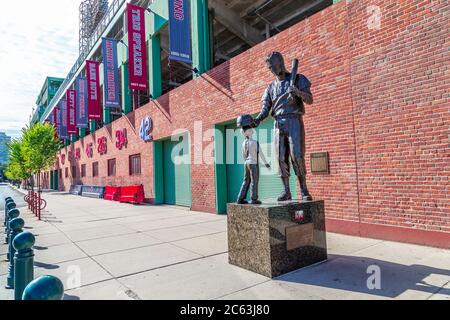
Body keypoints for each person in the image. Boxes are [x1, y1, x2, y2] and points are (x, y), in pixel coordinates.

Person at [253, 51, 313, 201]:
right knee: (280, 158)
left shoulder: (298, 79)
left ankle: (304, 189)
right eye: (269, 68)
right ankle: (286, 190)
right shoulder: (270, 87)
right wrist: (257, 120)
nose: (272, 70)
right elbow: (265, 109)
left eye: (273, 66)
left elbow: (310, 100)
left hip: (294, 120)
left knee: (297, 155)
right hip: (278, 123)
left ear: (280, 63)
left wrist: (298, 92)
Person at [236, 115, 270, 205]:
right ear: (246, 133)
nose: (252, 131)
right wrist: (266, 163)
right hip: (253, 163)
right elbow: (261, 154)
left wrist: (246, 162)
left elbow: (243, 155)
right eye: (250, 130)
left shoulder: (243, 143)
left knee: (246, 180)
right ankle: (254, 199)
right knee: (254, 181)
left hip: (246, 163)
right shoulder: (254, 142)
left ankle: (240, 198)